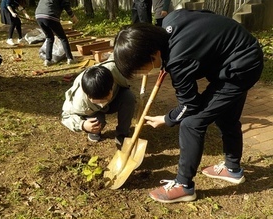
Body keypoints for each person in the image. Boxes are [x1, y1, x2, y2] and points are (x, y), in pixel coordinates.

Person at [113, 9, 263, 203]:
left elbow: (190, 105)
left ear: (153, 54)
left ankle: (184, 186)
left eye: (141, 67)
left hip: (239, 68)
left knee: (192, 123)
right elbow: (206, 15)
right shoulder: (171, 19)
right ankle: (232, 169)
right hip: (244, 51)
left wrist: (167, 119)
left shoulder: (177, 61)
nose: (143, 72)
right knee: (226, 116)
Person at [61, 55, 136, 145]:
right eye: (97, 101)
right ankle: (94, 133)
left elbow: (119, 55)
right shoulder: (79, 100)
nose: (101, 104)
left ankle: (122, 134)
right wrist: (83, 124)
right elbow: (66, 116)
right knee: (97, 122)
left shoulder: (115, 71)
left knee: (128, 97)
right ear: (88, 95)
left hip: (114, 101)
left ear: (111, 87)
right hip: (92, 111)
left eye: (104, 98)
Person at [35, 0, 78, 66]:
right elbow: (65, 4)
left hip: (38, 15)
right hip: (50, 15)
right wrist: (73, 17)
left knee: (49, 37)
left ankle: (48, 60)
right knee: (63, 38)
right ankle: (70, 59)